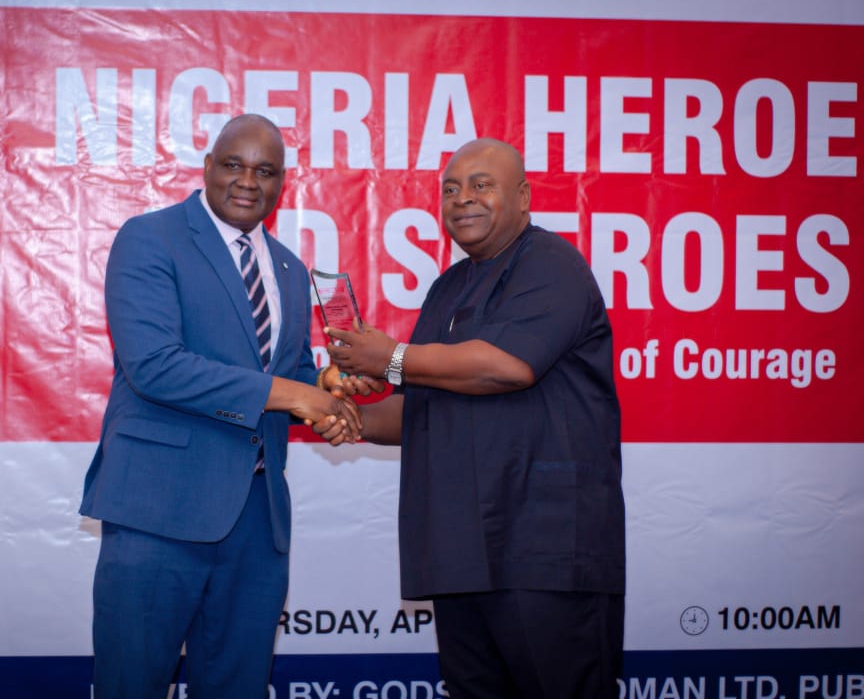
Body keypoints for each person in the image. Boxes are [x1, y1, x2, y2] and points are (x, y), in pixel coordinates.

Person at [316, 138, 626, 698]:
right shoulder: (448, 287)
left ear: (523, 197)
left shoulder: (551, 264)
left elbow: (507, 367)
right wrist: (337, 412)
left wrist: (389, 357)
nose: (463, 199)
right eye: (451, 189)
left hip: (543, 551)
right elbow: (417, 411)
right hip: (462, 553)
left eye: (482, 185)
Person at [80, 113, 367, 698]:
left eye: (265, 171)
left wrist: (325, 385)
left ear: (282, 182)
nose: (247, 181)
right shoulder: (149, 237)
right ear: (208, 167)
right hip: (158, 511)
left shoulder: (289, 270)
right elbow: (155, 366)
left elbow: (286, 374)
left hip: (257, 521)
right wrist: (296, 394)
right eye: (234, 165)